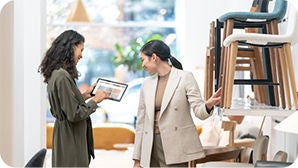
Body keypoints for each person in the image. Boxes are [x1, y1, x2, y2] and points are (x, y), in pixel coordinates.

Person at [132, 40, 222, 167]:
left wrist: (208, 105)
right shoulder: (147, 84)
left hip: (176, 146)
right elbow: (141, 123)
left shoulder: (185, 77)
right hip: (150, 147)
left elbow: (199, 112)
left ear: (154, 57)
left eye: (143, 59)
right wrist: (137, 158)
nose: (142, 64)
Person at [38, 30, 110, 167]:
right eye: (81, 50)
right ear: (71, 47)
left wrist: (85, 95)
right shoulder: (62, 76)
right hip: (71, 137)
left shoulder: (57, 74)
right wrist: (95, 100)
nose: (81, 55)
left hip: (66, 134)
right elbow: (74, 114)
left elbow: (66, 106)